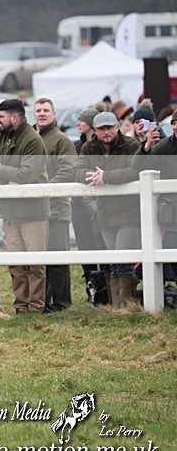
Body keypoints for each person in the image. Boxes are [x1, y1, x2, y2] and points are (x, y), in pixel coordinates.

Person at [0, 99, 50, 314]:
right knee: (15, 263)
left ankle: (36, 306)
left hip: (33, 212)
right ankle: (21, 306)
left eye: (1, 116)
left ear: (14, 117)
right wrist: (6, 182)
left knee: (36, 264)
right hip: (9, 211)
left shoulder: (33, 140)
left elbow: (27, 174)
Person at [75, 112, 141, 308]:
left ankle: (126, 307)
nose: (106, 132)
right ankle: (116, 307)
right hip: (105, 213)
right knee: (112, 263)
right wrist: (95, 176)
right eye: (102, 129)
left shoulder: (131, 145)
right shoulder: (88, 148)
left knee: (123, 262)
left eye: (110, 127)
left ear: (117, 127)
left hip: (130, 213)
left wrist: (107, 177)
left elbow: (135, 171)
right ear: (95, 131)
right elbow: (76, 171)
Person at [33, 98, 76, 312]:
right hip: (35, 210)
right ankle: (43, 301)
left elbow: (67, 170)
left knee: (58, 258)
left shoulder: (61, 140)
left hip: (56, 208)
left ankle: (61, 303)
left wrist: (44, 190)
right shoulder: (30, 139)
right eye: (38, 110)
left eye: (46, 110)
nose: (42, 113)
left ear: (54, 114)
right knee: (40, 259)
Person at [133, 109, 177, 283]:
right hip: (171, 213)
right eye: (174, 123)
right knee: (171, 255)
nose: (176, 126)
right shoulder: (164, 146)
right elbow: (138, 168)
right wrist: (146, 147)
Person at [71, 108, 107, 280]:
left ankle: (106, 286)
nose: (78, 123)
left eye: (82, 120)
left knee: (102, 244)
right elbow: (74, 171)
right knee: (84, 245)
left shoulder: (104, 146)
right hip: (79, 205)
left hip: (101, 203)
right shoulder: (75, 147)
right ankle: (91, 285)